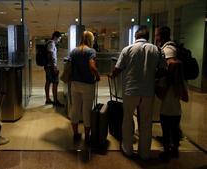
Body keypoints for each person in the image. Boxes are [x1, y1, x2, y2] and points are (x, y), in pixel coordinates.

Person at [109, 26, 167, 160]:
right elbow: (163, 70)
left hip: (130, 91)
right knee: (146, 122)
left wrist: (111, 75)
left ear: (136, 36)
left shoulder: (127, 49)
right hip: (148, 91)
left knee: (128, 119)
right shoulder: (156, 50)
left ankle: (127, 149)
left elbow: (118, 69)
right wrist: (151, 75)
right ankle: (144, 153)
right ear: (147, 37)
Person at [155, 26, 188, 162]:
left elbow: (172, 64)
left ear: (161, 36)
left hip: (170, 90)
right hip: (174, 89)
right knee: (174, 118)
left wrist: (165, 84)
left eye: (157, 35)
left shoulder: (168, 49)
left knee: (167, 119)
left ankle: (168, 150)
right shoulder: (172, 47)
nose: (155, 37)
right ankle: (173, 149)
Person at [69, 31, 100, 144]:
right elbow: (92, 66)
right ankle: (87, 137)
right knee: (87, 111)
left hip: (75, 83)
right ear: (90, 39)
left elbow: (70, 66)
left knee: (75, 109)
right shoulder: (91, 51)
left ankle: (76, 134)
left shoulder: (74, 51)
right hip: (87, 84)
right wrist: (97, 75)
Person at [44, 31, 64, 106]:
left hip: (48, 66)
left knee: (48, 82)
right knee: (55, 82)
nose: (59, 40)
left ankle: (48, 99)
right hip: (51, 67)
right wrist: (54, 67)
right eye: (59, 38)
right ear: (56, 37)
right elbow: (50, 55)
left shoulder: (49, 43)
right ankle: (55, 100)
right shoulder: (52, 43)